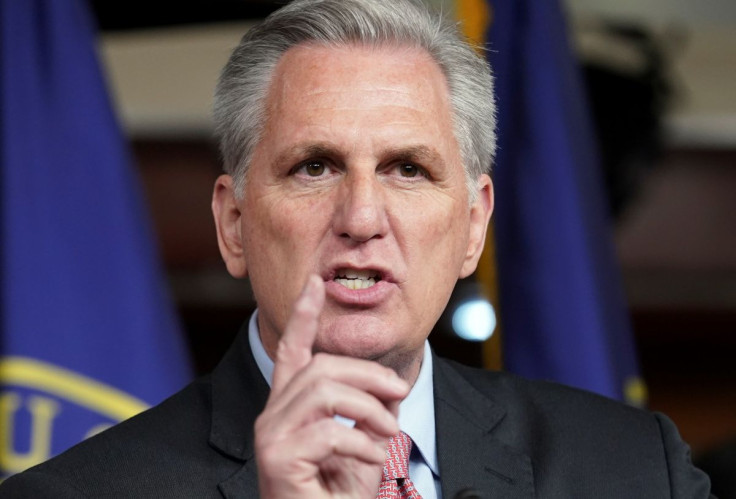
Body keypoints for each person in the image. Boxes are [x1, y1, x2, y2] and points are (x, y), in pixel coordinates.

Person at [0, 0, 714, 497]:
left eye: (408, 168)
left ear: (473, 225)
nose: (362, 216)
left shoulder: (636, 469)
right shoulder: (77, 493)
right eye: (314, 166)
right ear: (233, 223)